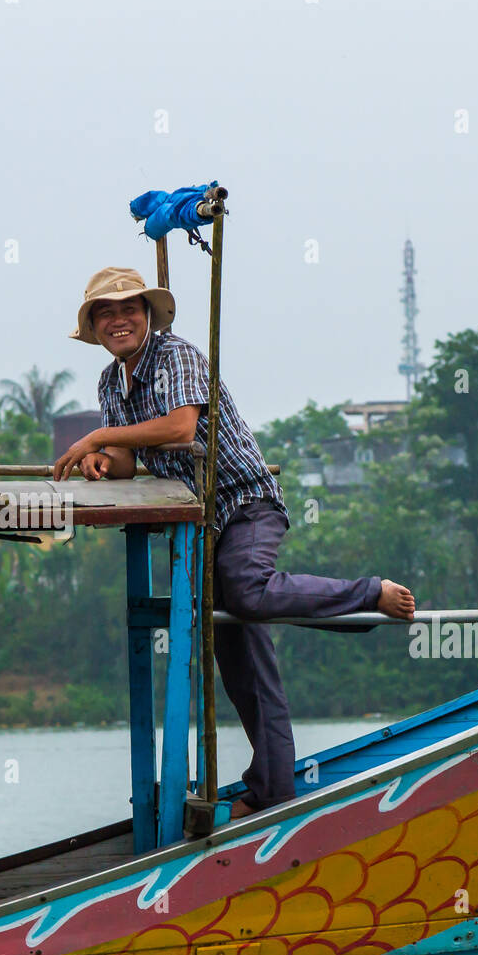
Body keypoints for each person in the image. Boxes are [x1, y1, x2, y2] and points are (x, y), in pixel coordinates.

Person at [53, 266, 415, 818]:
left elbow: (178, 428)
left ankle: (370, 593)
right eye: (106, 313)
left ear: (148, 315)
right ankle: (273, 790)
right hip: (202, 528)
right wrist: (105, 461)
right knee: (238, 656)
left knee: (247, 593)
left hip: (245, 504)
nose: (118, 320)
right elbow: (134, 455)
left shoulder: (178, 356)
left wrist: (98, 436)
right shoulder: (111, 383)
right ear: (96, 328)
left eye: (128, 309)